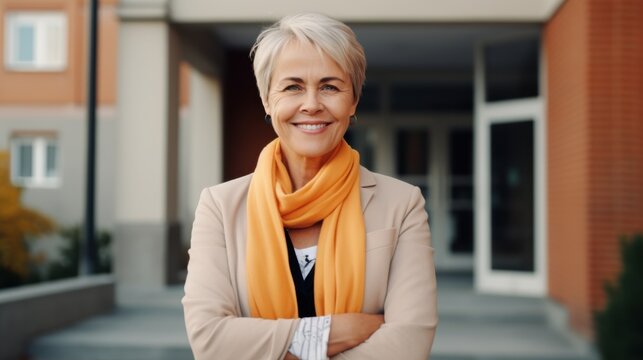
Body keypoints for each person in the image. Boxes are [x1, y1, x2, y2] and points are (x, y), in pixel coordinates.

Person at [182, 13, 437, 360]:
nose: (312, 104)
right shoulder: (220, 206)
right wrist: (332, 333)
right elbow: (210, 340)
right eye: (293, 86)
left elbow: (408, 344)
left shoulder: (403, 204)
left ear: (353, 102)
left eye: (330, 86)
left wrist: (267, 346)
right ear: (267, 101)